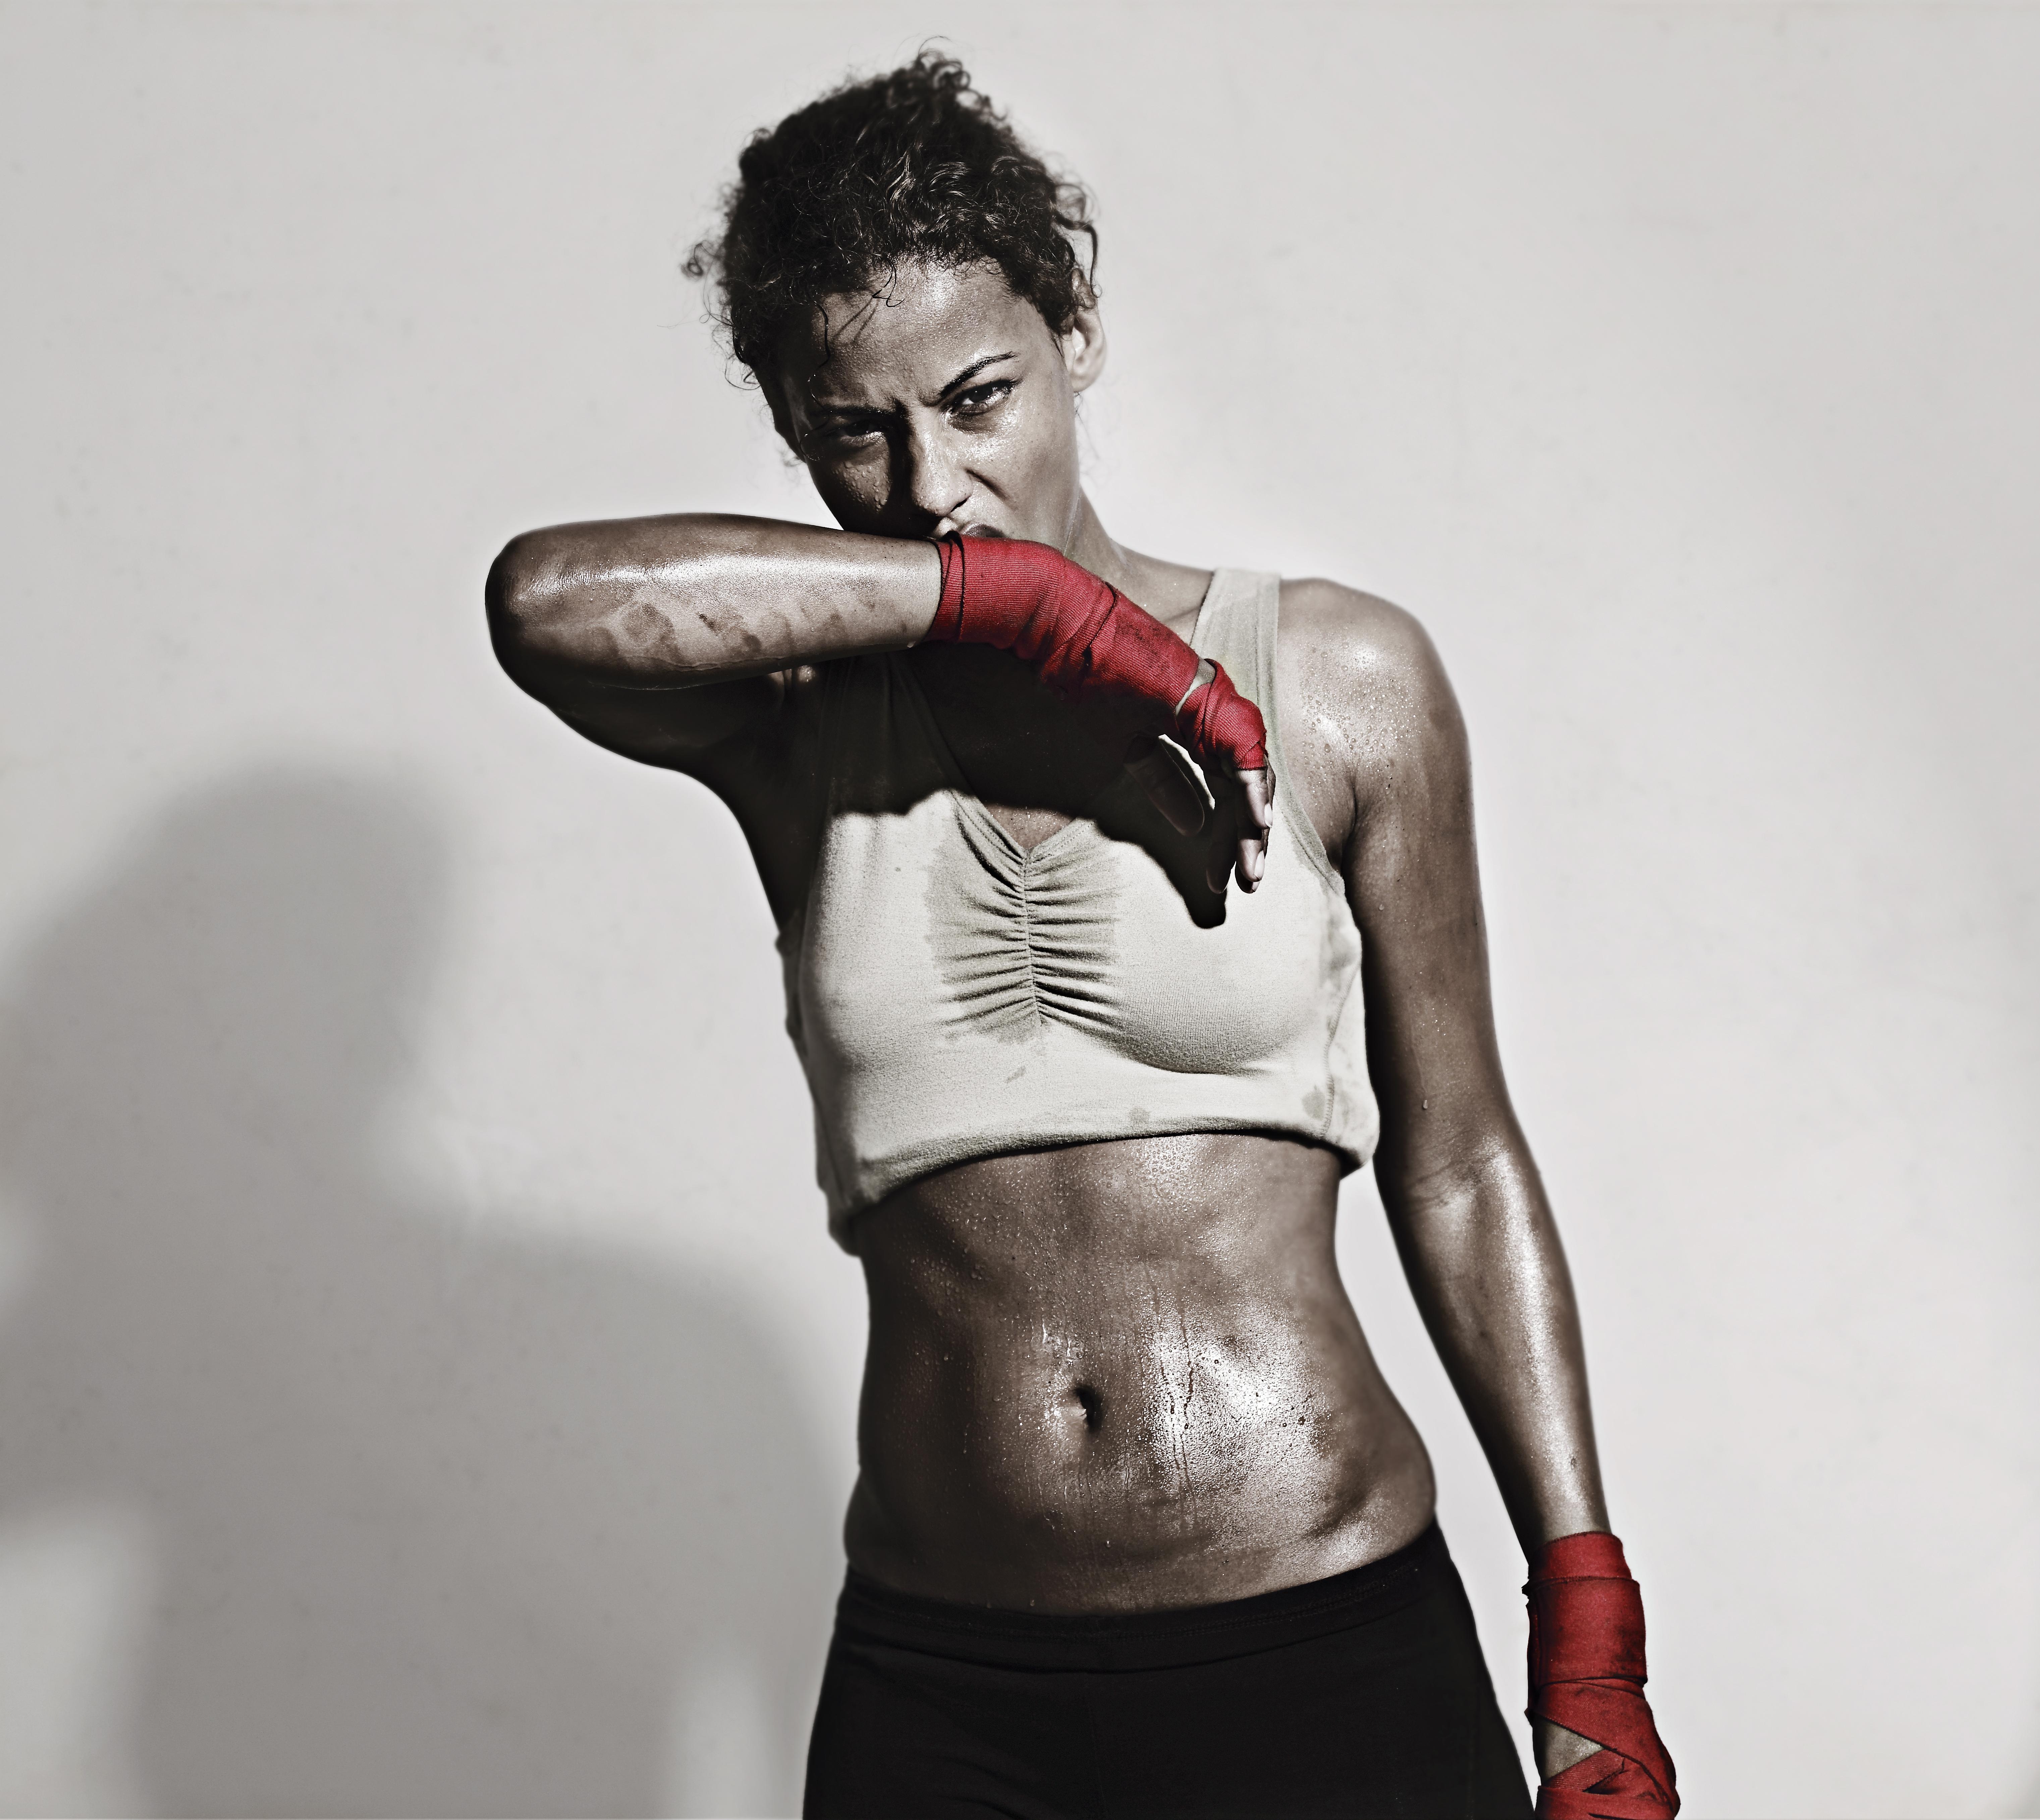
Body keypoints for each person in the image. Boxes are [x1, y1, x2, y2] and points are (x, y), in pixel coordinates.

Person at [487, 53, 1678, 1820]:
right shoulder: (798, 716)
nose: (932, 479)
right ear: (791, 425)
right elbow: (544, 601)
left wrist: (1588, 1620)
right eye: (855, 430)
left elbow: (1465, 1157)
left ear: (1079, 332)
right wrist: (1016, 609)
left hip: (1326, 1622)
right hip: (954, 1679)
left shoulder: (1343, 680)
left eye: (979, 396)